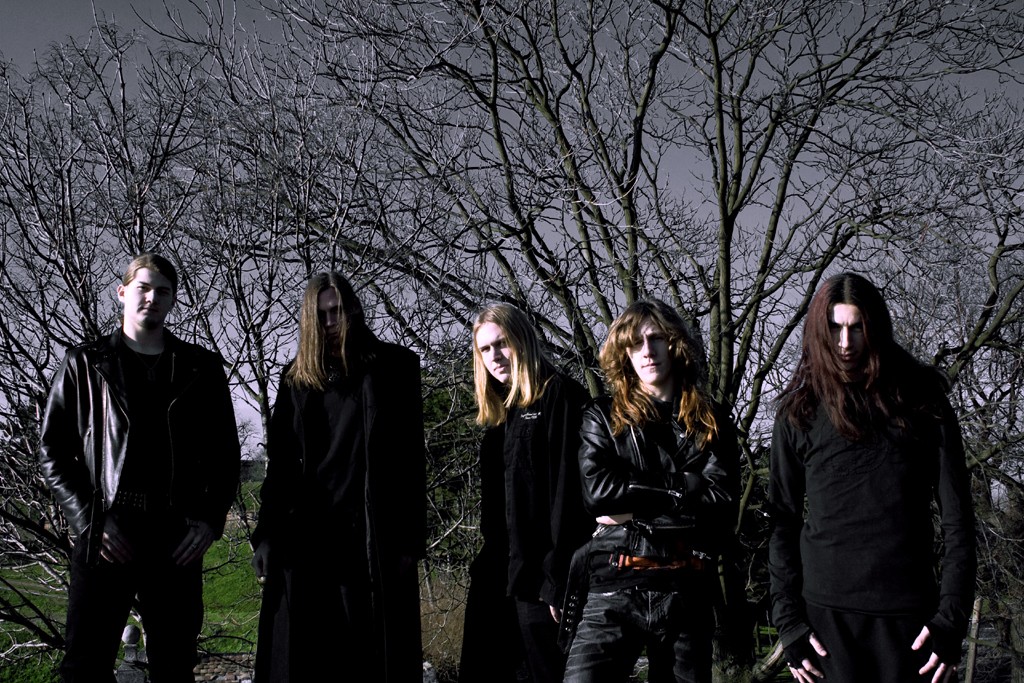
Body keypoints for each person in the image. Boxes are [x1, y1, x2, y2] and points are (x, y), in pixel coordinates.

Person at [38, 253, 242, 683]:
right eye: (143, 288)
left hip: (176, 535)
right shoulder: (85, 363)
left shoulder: (201, 367)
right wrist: (89, 520)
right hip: (107, 533)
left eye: (162, 291)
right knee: (84, 666)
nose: (152, 297)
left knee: (175, 666)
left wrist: (210, 521)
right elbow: (52, 450)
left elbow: (225, 455)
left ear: (172, 300)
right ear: (122, 292)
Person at [768, 272, 976, 683]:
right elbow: (781, 524)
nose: (845, 342)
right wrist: (788, 622)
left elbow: (958, 523)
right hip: (826, 627)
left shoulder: (923, 402)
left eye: (857, 327)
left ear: (875, 327)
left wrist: (951, 620)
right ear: (819, 330)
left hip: (912, 626)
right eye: (835, 328)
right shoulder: (799, 412)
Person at [250, 271, 425, 682]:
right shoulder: (296, 381)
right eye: (323, 315)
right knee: (308, 658)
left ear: (354, 311)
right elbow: (281, 468)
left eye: (338, 312)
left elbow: (411, 461)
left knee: (371, 658)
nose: (332, 323)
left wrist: (410, 541)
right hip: (307, 540)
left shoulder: (394, 368)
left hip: (372, 537)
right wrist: (266, 534)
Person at [563, 299, 740, 683]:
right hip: (614, 581)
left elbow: (721, 504)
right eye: (635, 342)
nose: (647, 350)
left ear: (675, 344)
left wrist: (631, 506)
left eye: (656, 338)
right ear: (624, 353)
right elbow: (598, 495)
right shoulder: (601, 416)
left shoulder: (712, 420)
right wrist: (684, 486)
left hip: (685, 584)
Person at [458, 303, 592, 683]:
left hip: (542, 583)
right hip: (499, 577)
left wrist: (557, 581)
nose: (495, 356)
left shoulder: (559, 396)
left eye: (502, 343)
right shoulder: (500, 417)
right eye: (485, 349)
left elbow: (569, 498)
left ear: (523, 340)